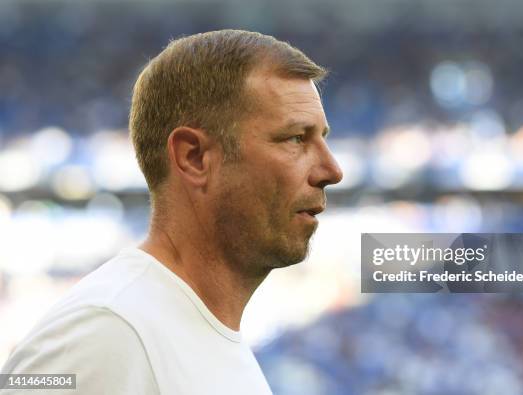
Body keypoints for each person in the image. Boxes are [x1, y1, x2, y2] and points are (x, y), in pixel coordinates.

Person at [0, 30, 343, 394]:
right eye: (295, 138)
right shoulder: (108, 331)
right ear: (194, 157)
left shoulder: (199, 333)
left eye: (323, 137)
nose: (332, 170)